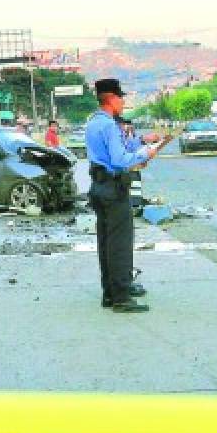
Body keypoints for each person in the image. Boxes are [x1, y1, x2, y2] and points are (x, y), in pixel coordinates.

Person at [86, 78, 160, 313]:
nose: (123, 102)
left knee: (106, 243)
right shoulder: (109, 125)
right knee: (120, 244)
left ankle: (110, 292)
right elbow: (119, 160)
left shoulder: (95, 122)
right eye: (121, 98)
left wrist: (140, 141)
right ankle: (121, 297)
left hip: (99, 187)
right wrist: (145, 152)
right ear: (111, 99)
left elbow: (117, 149)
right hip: (113, 188)